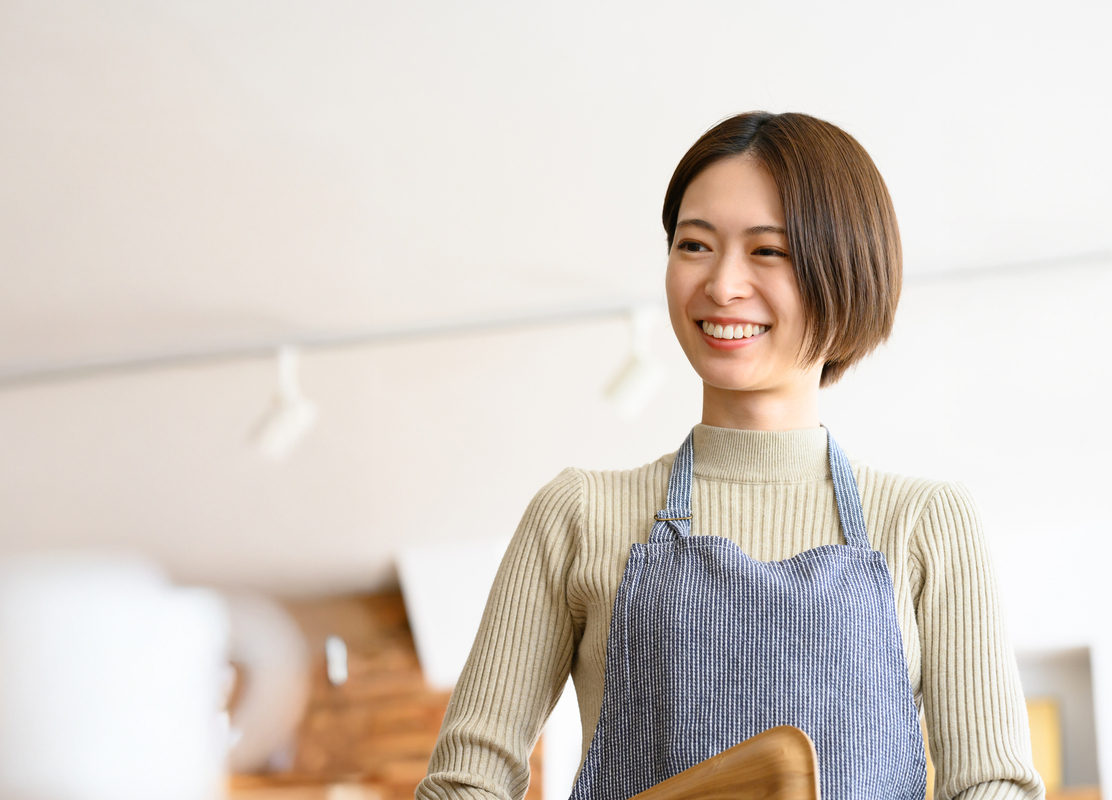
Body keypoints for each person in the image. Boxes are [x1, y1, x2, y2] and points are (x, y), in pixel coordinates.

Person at [415, 112, 1044, 800]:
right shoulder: (578, 515)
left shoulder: (927, 522)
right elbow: (462, 783)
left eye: (767, 251)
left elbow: (994, 785)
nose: (721, 285)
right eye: (694, 245)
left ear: (847, 268)